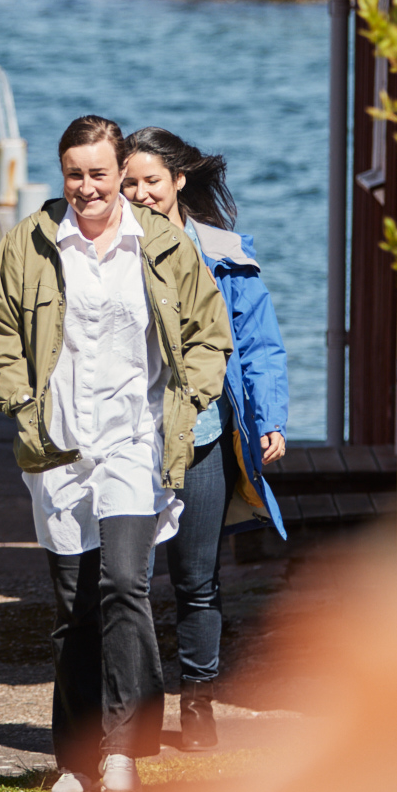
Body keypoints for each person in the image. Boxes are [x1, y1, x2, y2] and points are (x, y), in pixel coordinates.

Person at [0, 115, 230, 792]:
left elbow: (210, 332)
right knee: (74, 606)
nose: (87, 187)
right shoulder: (31, 242)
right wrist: (17, 397)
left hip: (135, 441)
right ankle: (77, 756)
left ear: (121, 172)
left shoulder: (163, 245)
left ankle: (124, 749)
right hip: (58, 445)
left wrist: (191, 395)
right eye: (74, 174)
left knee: (124, 584)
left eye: (99, 173)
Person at [119, 126, 289, 751]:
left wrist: (269, 417)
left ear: (179, 180)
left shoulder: (223, 253)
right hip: (128, 438)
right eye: (129, 183)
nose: (141, 193)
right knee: (125, 581)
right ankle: (134, 709)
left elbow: (259, 342)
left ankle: (198, 703)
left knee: (198, 579)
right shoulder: (103, 249)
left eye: (151, 181)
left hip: (205, 435)